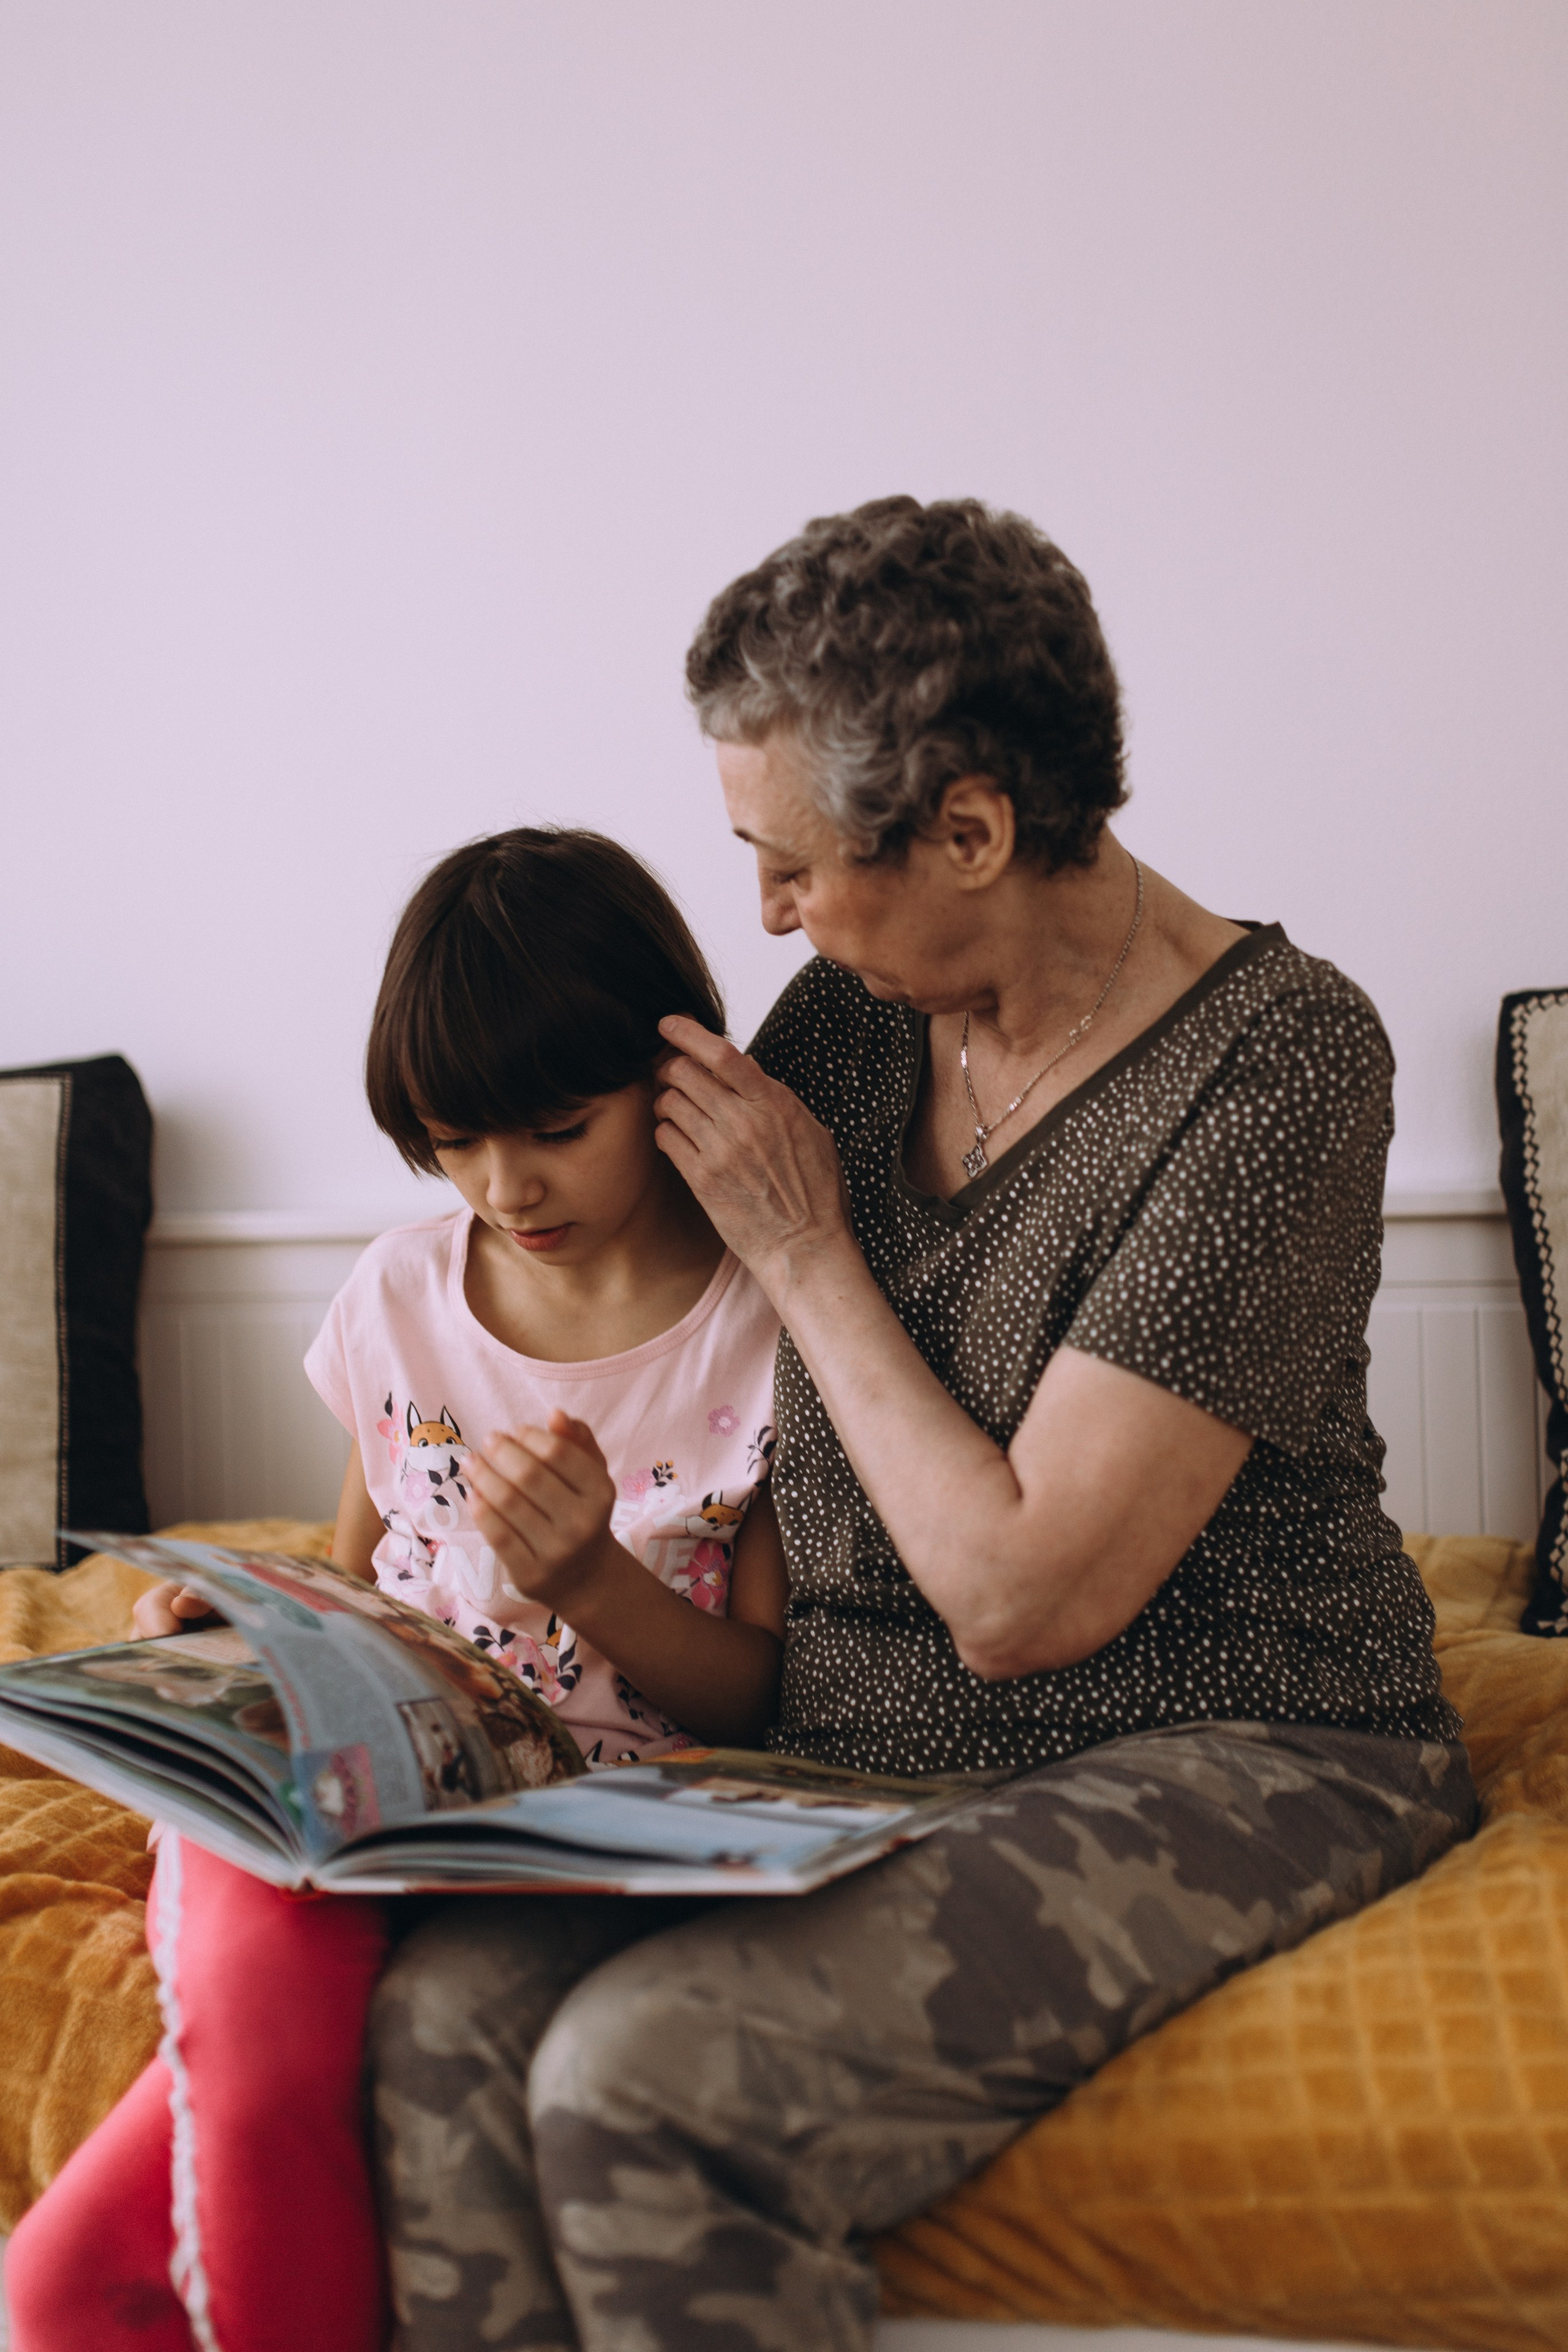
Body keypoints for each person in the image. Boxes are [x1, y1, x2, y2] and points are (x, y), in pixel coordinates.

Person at [366, 498, 1477, 2352]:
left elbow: (1027, 1599)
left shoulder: (1279, 1062)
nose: (771, 916)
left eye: (796, 866)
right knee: (443, 2008)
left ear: (971, 826)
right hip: (853, 1752)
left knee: (648, 2073)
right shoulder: (852, 1025)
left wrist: (811, 1250)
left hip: (1235, 1740)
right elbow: (566, 1265)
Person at [6, 829, 786, 2352]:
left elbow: (763, 1691)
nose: (506, 1184)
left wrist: (590, 1584)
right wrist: (250, 1620)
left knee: (77, 2268)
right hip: (369, 1790)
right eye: (452, 1140)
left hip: (584, 1825)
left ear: (670, 1073)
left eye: (559, 1125)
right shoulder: (400, 1295)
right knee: (59, 2281)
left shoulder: (759, 1329)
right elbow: (358, 1568)